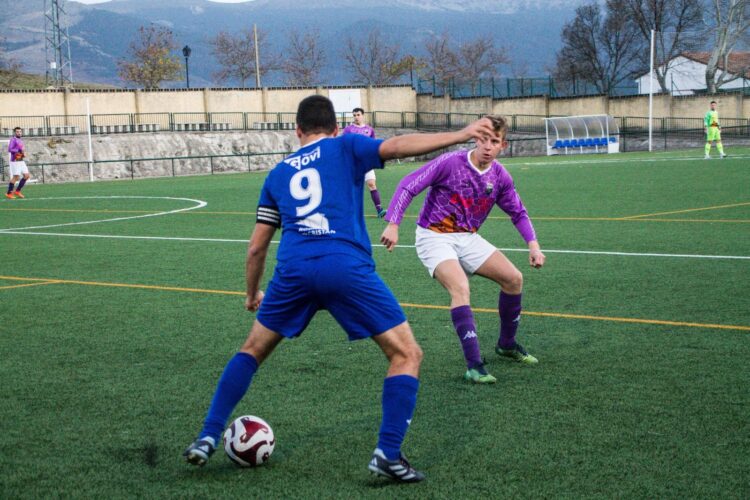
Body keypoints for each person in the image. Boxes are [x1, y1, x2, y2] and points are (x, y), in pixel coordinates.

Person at [182, 95, 496, 482]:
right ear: (336, 128)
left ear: (297, 131)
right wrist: (461, 134)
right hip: (345, 266)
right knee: (406, 354)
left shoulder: (278, 173)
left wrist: (251, 294)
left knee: (251, 350)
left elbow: (256, 246)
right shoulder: (346, 145)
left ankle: (207, 436)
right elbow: (396, 146)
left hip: (294, 271)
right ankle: (388, 455)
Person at [380, 115, 545, 384]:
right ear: (475, 138)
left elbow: (518, 212)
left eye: (494, 141)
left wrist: (534, 245)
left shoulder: (500, 175)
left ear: (503, 146)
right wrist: (393, 224)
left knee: (513, 279)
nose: (487, 146)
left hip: (467, 237)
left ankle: (506, 344)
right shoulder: (451, 163)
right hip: (433, 236)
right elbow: (408, 185)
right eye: (483, 139)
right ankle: (474, 365)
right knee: (460, 288)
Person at [341, 107, 386, 217]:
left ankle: (379, 210)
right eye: (354, 115)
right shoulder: (348, 129)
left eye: (358, 115)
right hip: (353, 163)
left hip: (367, 163)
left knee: (371, 184)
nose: (356, 117)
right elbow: (343, 144)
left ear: (363, 115)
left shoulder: (369, 130)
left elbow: (373, 145)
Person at [6, 127, 30, 199]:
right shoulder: (13, 139)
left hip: (21, 160)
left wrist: (23, 154)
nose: (19, 133)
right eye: (17, 132)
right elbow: (10, 149)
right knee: (16, 177)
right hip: (15, 161)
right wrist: (19, 150)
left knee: (26, 175)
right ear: (15, 133)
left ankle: (17, 191)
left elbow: (21, 150)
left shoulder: (20, 140)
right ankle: (9, 193)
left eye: (20, 131)